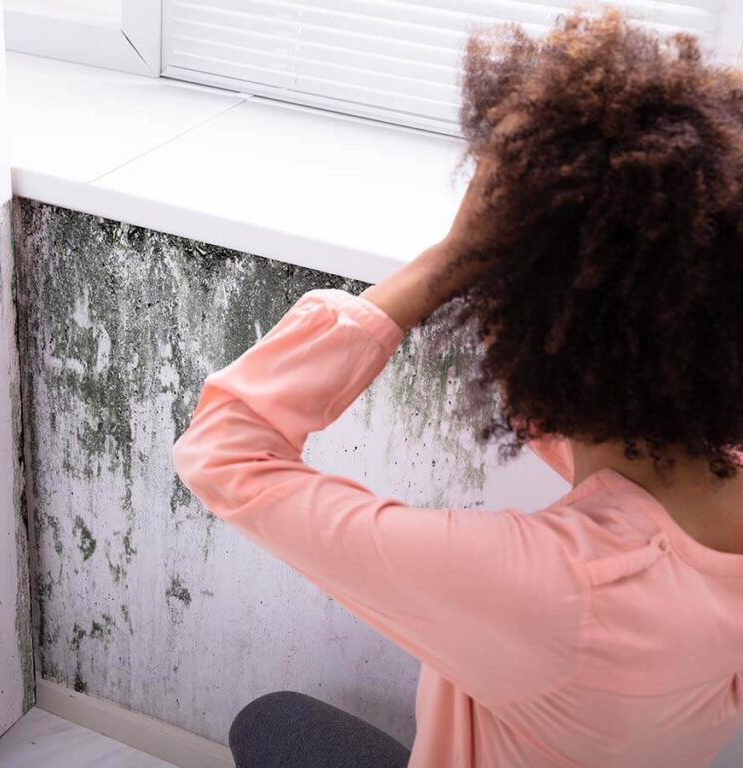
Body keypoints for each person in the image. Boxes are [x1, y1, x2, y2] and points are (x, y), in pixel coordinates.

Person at [172, 8, 743, 767]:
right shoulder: (707, 487)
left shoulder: (556, 591)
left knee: (268, 722)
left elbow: (222, 453)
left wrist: (452, 257)